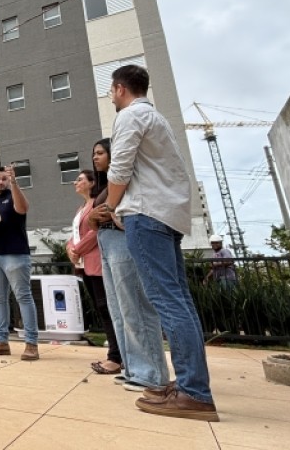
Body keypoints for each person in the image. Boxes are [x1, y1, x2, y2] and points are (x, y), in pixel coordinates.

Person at [99, 64, 219, 421]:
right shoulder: (157, 119)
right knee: (179, 301)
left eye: (111, 90)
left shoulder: (129, 116)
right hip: (168, 215)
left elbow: (119, 170)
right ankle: (191, 384)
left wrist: (109, 207)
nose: (111, 96)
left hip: (146, 213)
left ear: (120, 89)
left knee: (167, 301)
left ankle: (194, 392)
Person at [89, 138, 170, 393]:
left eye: (100, 153)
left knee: (134, 305)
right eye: (94, 154)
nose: (95, 157)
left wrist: (109, 215)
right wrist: (93, 218)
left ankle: (151, 373)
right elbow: (94, 221)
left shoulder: (124, 179)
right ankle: (132, 368)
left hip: (122, 240)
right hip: (106, 241)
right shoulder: (104, 187)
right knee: (119, 309)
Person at [0, 165, 39, 361]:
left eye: (4, 178)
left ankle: (31, 344)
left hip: (15, 254)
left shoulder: (13, 196)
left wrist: (14, 183)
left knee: (23, 297)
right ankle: (1, 342)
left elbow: (23, 209)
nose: (1, 182)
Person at [67, 170, 121, 374]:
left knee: (106, 307)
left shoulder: (95, 205)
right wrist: (70, 248)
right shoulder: (81, 208)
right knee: (101, 308)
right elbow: (75, 234)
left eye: (80, 179)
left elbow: (95, 231)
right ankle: (115, 353)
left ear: (91, 183)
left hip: (96, 260)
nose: (76, 182)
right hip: (84, 264)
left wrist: (77, 249)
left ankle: (116, 356)